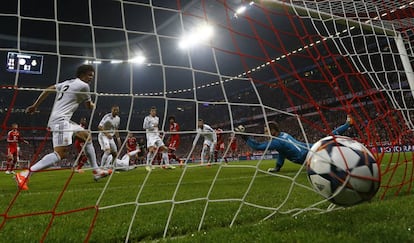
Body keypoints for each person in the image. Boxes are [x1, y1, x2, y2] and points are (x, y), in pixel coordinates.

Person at [18, 64, 112, 190]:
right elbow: (89, 106)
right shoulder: (84, 86)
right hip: (60, 121)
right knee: (60, 154)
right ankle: (25, 174)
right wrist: (94, 105)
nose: (91, 78)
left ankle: (96, 170)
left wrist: (35, 105)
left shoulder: (67, 83)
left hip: (64, 120)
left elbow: (49, 89)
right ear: (82, 74)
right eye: (90, 75)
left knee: (86, 136)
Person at [236, 115, 355, 173]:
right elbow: (282, 153)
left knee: (332, 158)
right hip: (308, 147)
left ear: (273, 131)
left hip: (307, 156)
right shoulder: (283, 134)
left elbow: (257, 146)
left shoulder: (277, 141)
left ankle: (350, 160)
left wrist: (244, 136)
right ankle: (348, 124)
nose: (265, 133)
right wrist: (277, 167)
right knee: (328, 139)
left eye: (266, 131)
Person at [143, 106, 175, 171]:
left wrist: (158, 134)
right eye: (152, 111)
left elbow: (156, 128)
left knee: (165, 149)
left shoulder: (157, 118)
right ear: (150, 112)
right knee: (151, 150)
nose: (154, 112)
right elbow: (144, 126)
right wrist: (152, 126)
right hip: (150, 136)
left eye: (155, 111)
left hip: (156, 136)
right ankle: (147, 165)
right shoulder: (147, 118)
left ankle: (167, 165)